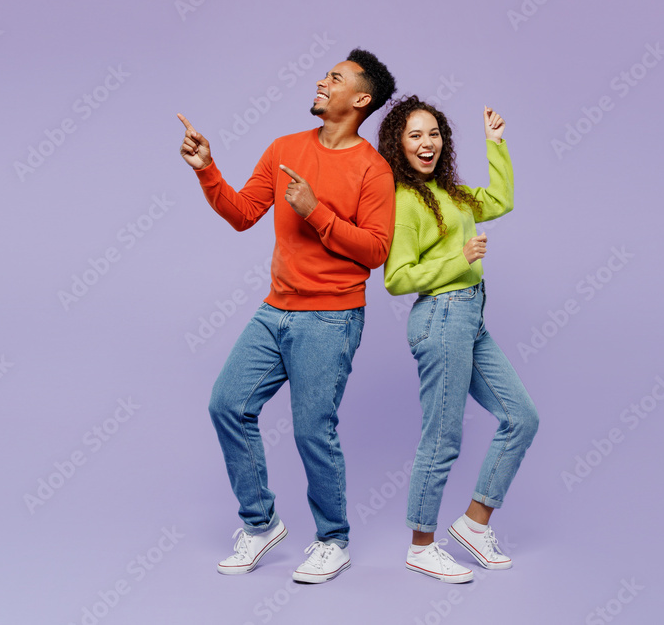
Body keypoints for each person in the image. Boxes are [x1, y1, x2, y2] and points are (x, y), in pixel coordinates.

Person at [177, 49, 396, 583]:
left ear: (360, 99)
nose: (321, 82)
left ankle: (333, 540)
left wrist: (314, 211)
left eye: (335, 78)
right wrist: (207, 170)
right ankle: (260, 524)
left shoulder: (373, 169)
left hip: (332, 318)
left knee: (312, 431)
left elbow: (376, 250)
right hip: (275, 310)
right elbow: (243, 214)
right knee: (228, 404)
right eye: (325, 75)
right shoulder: (284, 148)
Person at [380, 96, 539, 583]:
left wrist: (496, 144)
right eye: (415, 135)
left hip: (471, 317)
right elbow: (396, 278)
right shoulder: (404, 202)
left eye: (434, 133)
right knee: (443, 437)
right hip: (441, 317)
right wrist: (461, 258)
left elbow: (501, 201)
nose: (426, 143)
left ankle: (474, 523)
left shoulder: (450, 192)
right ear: (399, 146)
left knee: (521, 418)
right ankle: (421, 546)